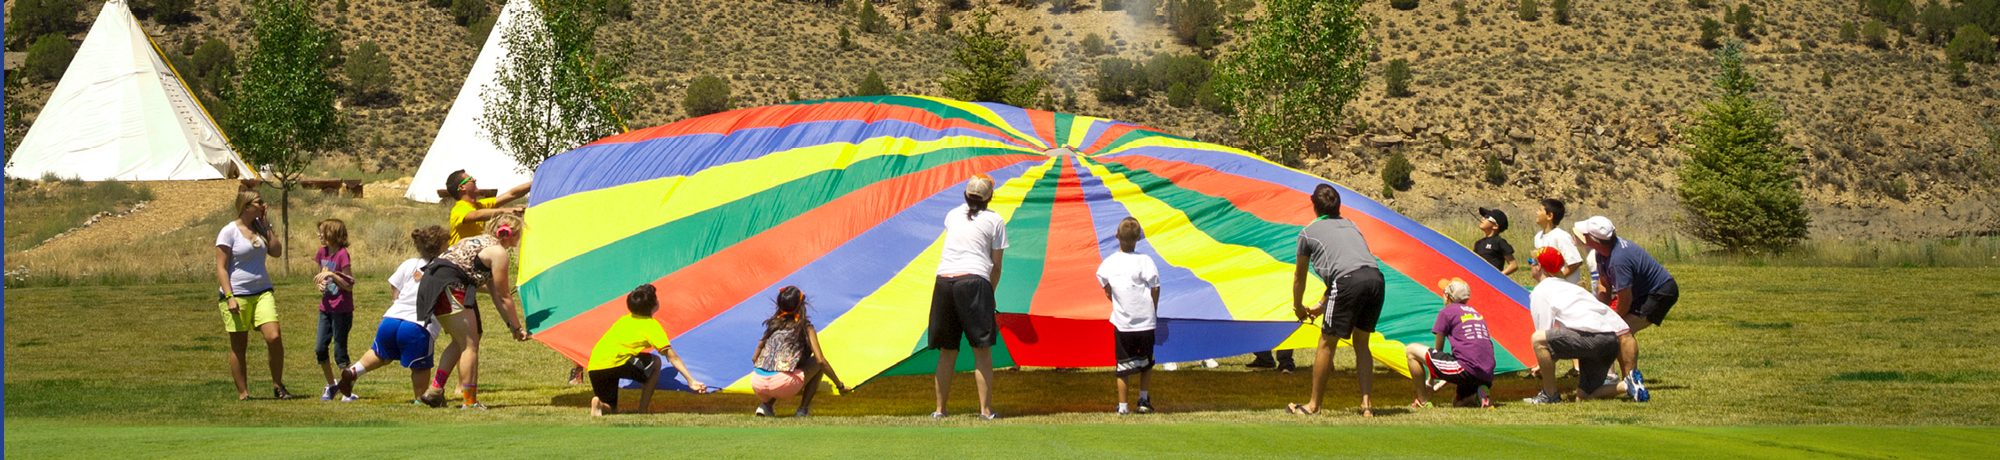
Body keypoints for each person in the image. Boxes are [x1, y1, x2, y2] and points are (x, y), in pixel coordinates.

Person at [1286, 184, 1387, 417]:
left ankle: (1313, 406)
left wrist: (1298, 307)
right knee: (1361, 343)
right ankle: (1367, 406)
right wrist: (1321, 306)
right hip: (1375, 280)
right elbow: (1349, 266)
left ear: (1314, 206)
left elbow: (1300, 276)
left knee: (1326, 342)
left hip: (1348, 282)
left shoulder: (1307, 234)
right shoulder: (1351, 224)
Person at [418, 214, 532, 409]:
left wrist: (510, 325)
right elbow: (504, 296)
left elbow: (495, 294)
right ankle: (469, 402)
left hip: (432, 284)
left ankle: (435, 391)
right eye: (519, 233)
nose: (520, 237)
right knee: (470, 345)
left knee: (460, 341)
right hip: (450, 286)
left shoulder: (478, 242)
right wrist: (518, 327)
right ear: (509, 233)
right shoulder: (498, 252)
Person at [335, 226, 452, 407]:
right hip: (417, 325)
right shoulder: (445, 269)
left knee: (380, 354)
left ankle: (353, 372)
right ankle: (420, 400)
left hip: (391, 319)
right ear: (442, 247)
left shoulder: (410, 263)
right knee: (420, 366)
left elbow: (395, 287)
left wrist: (399, 303)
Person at [929, 174, 1008, 419]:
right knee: (981, 350)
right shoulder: (995, 220)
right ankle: (985, 411)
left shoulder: (952, 214)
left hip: (944, 281)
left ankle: (940, 410)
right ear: (989, 198)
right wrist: (990, 293)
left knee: (947, 350)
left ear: (966, 195)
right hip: (973, 281)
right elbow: (996, 266)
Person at [1575, 216, 1671, 402]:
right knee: (1617, 329)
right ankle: (1627, 380)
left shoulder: (1618, 260)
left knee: (1622, 330)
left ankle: (1632, 381)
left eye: (1585, 234)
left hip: (1659, 292)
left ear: (1595, 241)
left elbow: (1625, 299)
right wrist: (1602, 312)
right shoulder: (1601, 253)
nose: (1582, 236)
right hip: (1641, 292)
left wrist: (1611, 320)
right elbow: (1604, 284)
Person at [1523, 248, 1635, 404]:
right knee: (1584, 396)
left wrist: (1542, 364)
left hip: (1591, 339)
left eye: (1531, 262)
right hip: (1610, 341)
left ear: (1539, 266)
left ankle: (1549, 395)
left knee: (1538, 338)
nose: (1530, 265)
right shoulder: (1572, 287)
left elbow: (1544, 334)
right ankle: (1627, 385)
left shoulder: (1541, 291)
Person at [214, 190, 290, 400]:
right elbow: (221, 267)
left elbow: (276, 252)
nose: (263, 205)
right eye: (259, 202)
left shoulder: (260, 228)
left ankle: (278, 386)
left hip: (262, 291)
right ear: (246, 206)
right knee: (239, 345)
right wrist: (229, 296)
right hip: (237, 294)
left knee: (274, 336)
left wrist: (266, 226)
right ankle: (244, 393)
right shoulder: (228, 232)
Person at [588, 284, 707, 416]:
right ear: (654, 305)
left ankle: (600, 404)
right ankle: (642, 410)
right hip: (617, 362)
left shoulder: (623, 320)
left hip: (595, 365)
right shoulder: (651, 326)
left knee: (612, 409)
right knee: (656, 362)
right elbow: (672, 357)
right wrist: (691, 380)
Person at [750, 286, 849, 417]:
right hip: (781, 384)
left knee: (781, 372)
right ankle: (803, 410)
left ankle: (765, 406)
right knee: (817, 365)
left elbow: (754, 358)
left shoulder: (773, 325)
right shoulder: (806, 327)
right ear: (802, 305)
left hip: (757, 383)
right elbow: (820, 361)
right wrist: (840, 386)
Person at [1097, 217, 1161, 415]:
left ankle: (1123, 406)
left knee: (1122, 366)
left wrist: (1111, 294)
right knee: (1147, 362)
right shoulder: (1145, 261)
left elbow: (1103, 281)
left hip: (1123, 323)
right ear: (1139, 238)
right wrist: (1153, 308)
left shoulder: (1109, 263)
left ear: (1116, 235)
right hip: (1146, 321)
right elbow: (1155, 286)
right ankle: (1143, 399)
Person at [1404, 278, 1494, 408]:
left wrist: (1430, 381)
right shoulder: (1476, 314)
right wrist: (1443, 382)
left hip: (1466, 369)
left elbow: (1437, 352)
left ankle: (1422, 401)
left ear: (1447, 296)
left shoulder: (1447, 312)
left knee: (1411, 350)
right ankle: (1478, 394)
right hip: (1486, 374)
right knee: (1458, 403)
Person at [313, 219, 357, 401]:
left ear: (333, 233)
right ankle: (331, 385)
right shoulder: (321, 253)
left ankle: (347, 390)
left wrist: (332, 274)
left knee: (340, 351)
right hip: (326, 308)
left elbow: (349, 284)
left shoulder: (342, 255)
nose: (319, 235)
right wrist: (320, 285)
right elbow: (320, 277)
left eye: (322, 231)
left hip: (342, 309)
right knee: (320, 348)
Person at [445, 169, 532, 245]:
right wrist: (505, 211)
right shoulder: (458, 210)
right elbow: (476, 215)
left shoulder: (480, 205)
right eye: (470, 179)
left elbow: (512, 194)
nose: (474, 180)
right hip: (459, 258)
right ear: (462, 187)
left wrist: (535, 182)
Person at [1531, 199, 1585, 285]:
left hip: (1566, 287)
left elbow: (1575, 262)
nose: (1537, 213)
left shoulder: (1561, 236)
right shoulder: (1538, 237)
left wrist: (1559, 278)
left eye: (1540, 210)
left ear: (1549, 216)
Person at [1473, 207, 1517, 275]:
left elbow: (1513, 265)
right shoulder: (1478, 243)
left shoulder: (1499, 242)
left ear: (1495, 226)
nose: (1483, 218)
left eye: (1487, 217)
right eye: (1484, 216)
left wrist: (1498, 277)